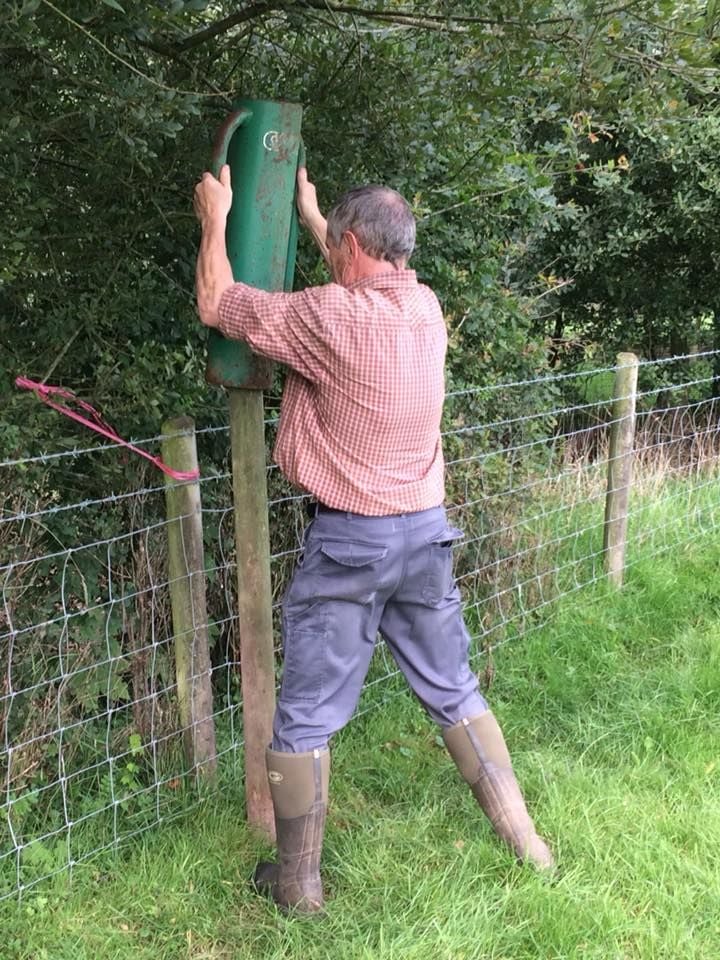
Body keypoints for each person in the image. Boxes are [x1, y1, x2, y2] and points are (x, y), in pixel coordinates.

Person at [193, 163, 554, 915]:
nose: (330, 256)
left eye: (334, 246)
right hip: (426, 536)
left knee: (307, 713)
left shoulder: (328, 317)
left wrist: (216, 219)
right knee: (454, 688)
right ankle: (529, 844)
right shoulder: (424, 309)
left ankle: (298, 889)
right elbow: (362, 266)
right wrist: (313, 212)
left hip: (353, 543)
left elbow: (216, 302)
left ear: (351, 249)